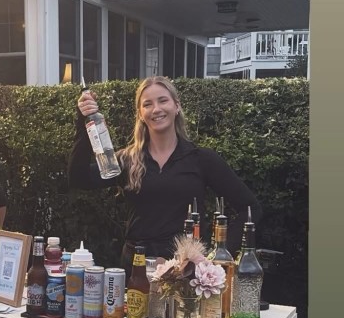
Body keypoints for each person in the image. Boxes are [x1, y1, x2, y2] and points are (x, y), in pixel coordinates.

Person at [68, 76, 262, 271]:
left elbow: (250, 208)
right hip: (136, 269)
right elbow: (79, 178)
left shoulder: (201, 159)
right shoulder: (127, 160)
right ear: (140, 114)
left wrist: (218, 254)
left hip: (185, 271)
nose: (156, 109)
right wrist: (84, 123)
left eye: (163, 100)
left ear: (176, 106)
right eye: (147, 104)